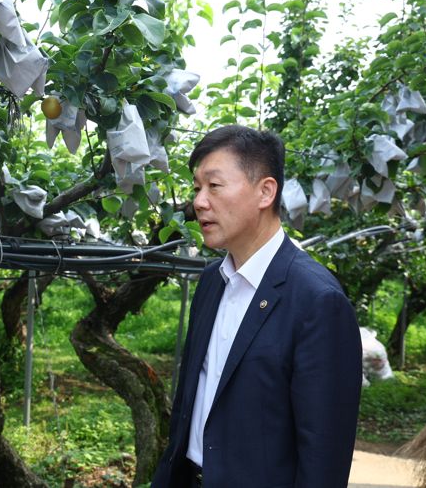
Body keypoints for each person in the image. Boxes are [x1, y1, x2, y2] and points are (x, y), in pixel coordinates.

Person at [152, 125, 362, 488]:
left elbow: (323, 455)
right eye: (197, 188)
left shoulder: (316, 301)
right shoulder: (212, 281)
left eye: (214, 186)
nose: (199, 202)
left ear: (265, 191)